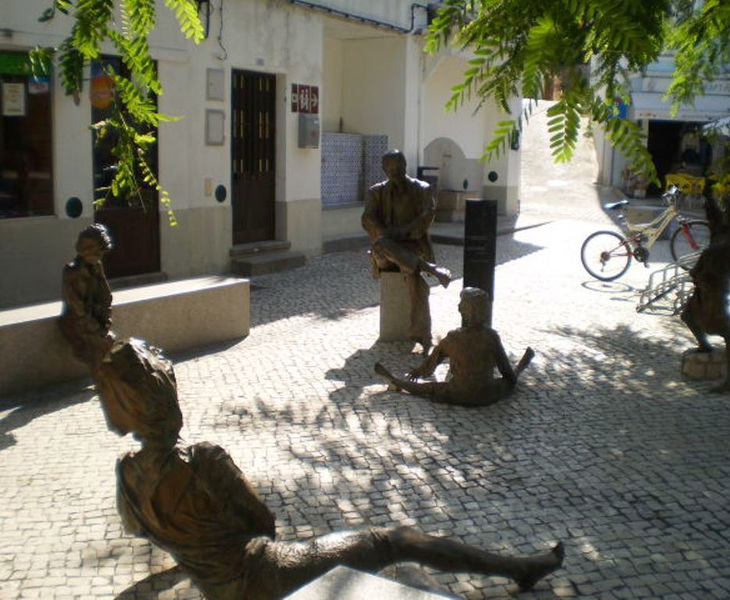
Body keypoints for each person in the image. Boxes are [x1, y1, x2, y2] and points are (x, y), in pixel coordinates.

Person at [99, 336, 563, 599]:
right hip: (265, 575)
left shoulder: (126, 473)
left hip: (217, 588)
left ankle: (519, 568)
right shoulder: (203, 459)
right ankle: (519, 568)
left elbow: (151, 534)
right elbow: (264, 523)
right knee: (392, 541)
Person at [375, 287, 534, 407]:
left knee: (429, 389)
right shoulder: (491, 336)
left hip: (458, 394)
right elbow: (507, 373)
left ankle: (398, 382)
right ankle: (521, 366)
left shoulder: (452, 338)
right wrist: (513, 377)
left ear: (463, 311)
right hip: (486, 394)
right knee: (509, 382)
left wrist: (418, 372)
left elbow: (430, 365)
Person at [362, 150, 452, 354]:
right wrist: (384, 232)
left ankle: (422, 335)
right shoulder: (375, 192)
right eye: (390, 170)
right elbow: (367, 218)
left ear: (405, 166)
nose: (395, 173)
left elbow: (426, 217)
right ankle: (433, 270)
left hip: (412, 247)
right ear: (384, 170)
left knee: (412, 276)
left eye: (398, 168)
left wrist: (400, 233)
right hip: (385, 253)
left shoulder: (423, 189)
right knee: (382, 243)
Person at [680, 190, 730, 395]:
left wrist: (700, 270)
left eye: (728, 209)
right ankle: (704, 345)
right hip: (705, 286)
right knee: (688, 315)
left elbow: (715, 263)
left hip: (715, 289)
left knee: (726, 332)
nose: (725, 212)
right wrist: (708, 197)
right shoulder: (724, 231)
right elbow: (714, 219)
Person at [59, 224, 115, 368]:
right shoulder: (72, 271)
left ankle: (107, 379)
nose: (99, 256)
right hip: (76, 321)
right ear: (84, 250)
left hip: (94, 318)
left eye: (101, 253)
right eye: (96, 252)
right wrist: (95, 328)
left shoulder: (97, 266)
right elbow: (77, 308)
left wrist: (105, 319)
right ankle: (103, 379)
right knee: (101, 345)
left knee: (109, 340)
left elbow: (106, 295)